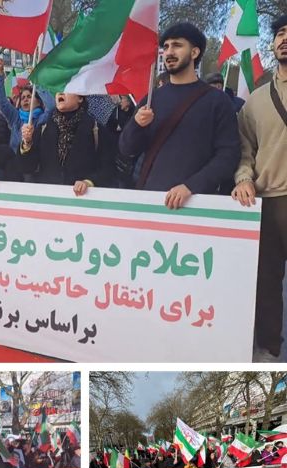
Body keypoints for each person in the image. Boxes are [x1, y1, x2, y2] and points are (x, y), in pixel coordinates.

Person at [119, 22, 240, 209]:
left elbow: (228, 156)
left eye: (177, 45)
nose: (169, 52)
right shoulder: (152, 98)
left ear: (194, 52)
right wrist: (136, 124)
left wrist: (191, 186)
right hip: (149, 202)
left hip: (196, 205)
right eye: (166, 47)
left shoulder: (217, 101)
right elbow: (126, 148)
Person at [233, 15, 287, 362]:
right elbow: (245, 151)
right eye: (280, 33)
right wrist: (243, 179)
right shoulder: (254, 100)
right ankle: (270, 349)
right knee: (267, 283)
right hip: (269, 202)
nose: (284, 38)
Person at [18, 93, 116, 194]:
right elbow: (27, 167)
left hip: (81, 201)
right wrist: (27, 143)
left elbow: (108, 169)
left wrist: (89, 182)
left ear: (80, 98)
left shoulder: (96, 130)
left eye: (66, 89)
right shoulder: (43, 129)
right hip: (48, 200)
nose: (60, 93)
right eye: (58, 90)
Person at [0, 58, 53, 153]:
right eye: (23, 98)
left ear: (39, 102)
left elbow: (51, 107)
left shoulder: (42, 119)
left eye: (29, 96)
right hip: (15, 163)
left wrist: (36, 81)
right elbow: (1, 101)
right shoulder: (15, 118)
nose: (25, 99)